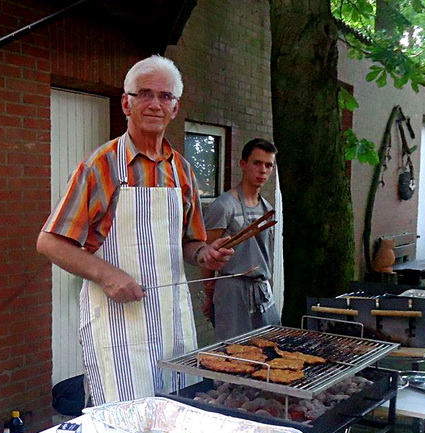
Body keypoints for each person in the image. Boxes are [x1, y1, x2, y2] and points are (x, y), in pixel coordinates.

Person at [37, 55, 233, 404]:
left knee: (175, 413)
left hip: (171, 324)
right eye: (144, 94)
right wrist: (106, 274)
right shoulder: (101, 166)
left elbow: (191, 242)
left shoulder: (183, 171)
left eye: (165, 96)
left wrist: (206, 254)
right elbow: (49, 242)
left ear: (175, 107)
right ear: (126, 103)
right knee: (124, 423)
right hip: (118, 326)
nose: (155, 104)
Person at [202, 138, 281, 340]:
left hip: (262, 289)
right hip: (232, 289)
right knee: (234, 353)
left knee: (270, 346)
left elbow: (265, 254)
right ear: (243, 164)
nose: (263, 170)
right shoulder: (224, 205)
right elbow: (207, 255)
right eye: (257, 163)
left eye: (268, 165)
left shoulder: (267, 208)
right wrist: (209, 296)